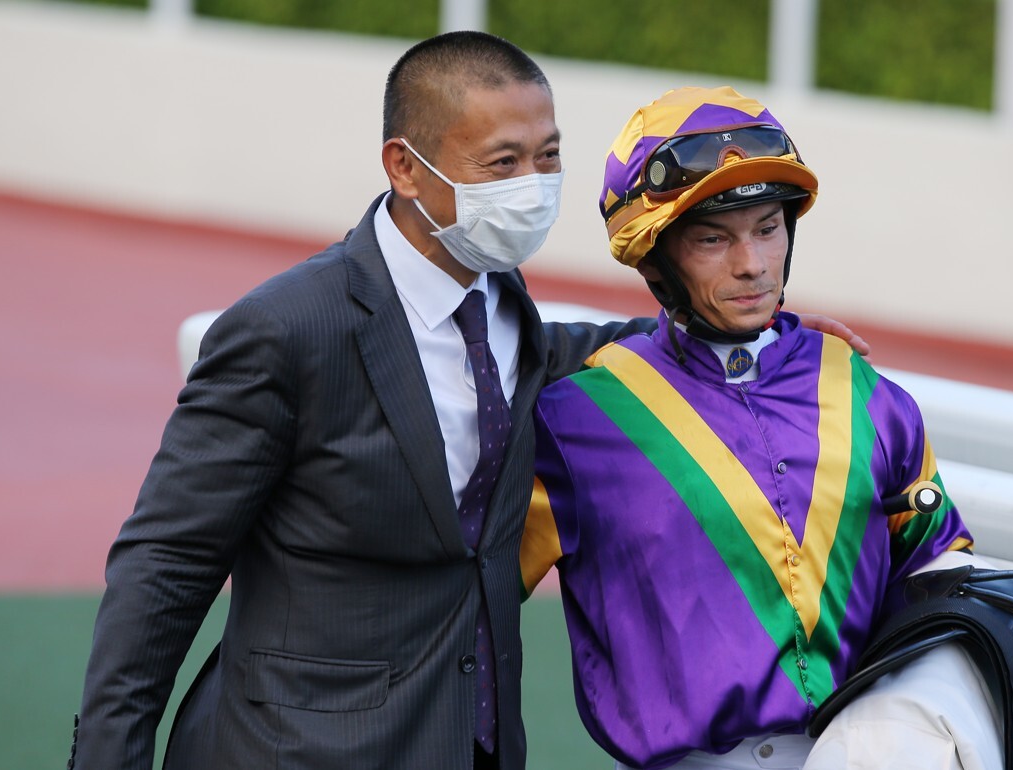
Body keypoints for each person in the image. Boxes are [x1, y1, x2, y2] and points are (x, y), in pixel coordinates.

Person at [70, 34, 867, 770]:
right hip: (298, 747)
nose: (533, 186)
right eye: (502, 163)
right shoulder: (287, 332)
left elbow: (560, 352)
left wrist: (745, 328)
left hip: (470, 740)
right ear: (405, 167)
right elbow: (164, 566)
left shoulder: (495, 294)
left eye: (548, 156)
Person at [520, 86, 1013, 770]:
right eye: (711, 239)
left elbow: (942, 587)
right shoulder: (573, 418)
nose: (753, 264)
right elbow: (458, 608)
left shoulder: (868, 395)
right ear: (654, 260)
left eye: (767, 227)